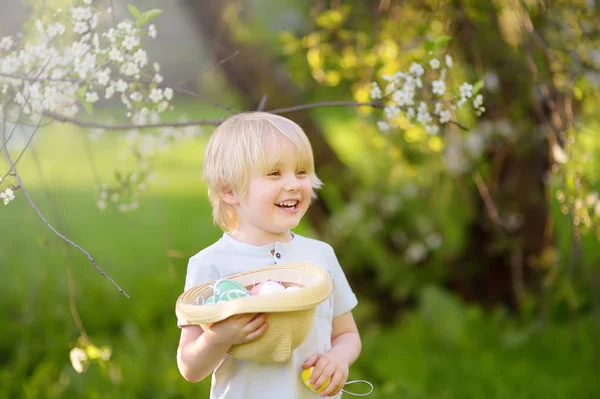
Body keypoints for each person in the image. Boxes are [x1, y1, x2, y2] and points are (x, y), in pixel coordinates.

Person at [176, 112, 361, 398]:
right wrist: (220, 338)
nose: (293, 184)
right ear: (229, 190)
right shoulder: (210, 264)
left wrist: (338, 358)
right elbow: (190, 367)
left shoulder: (320, 256)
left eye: (301, 172)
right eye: (275, 173)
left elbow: (347, 334)